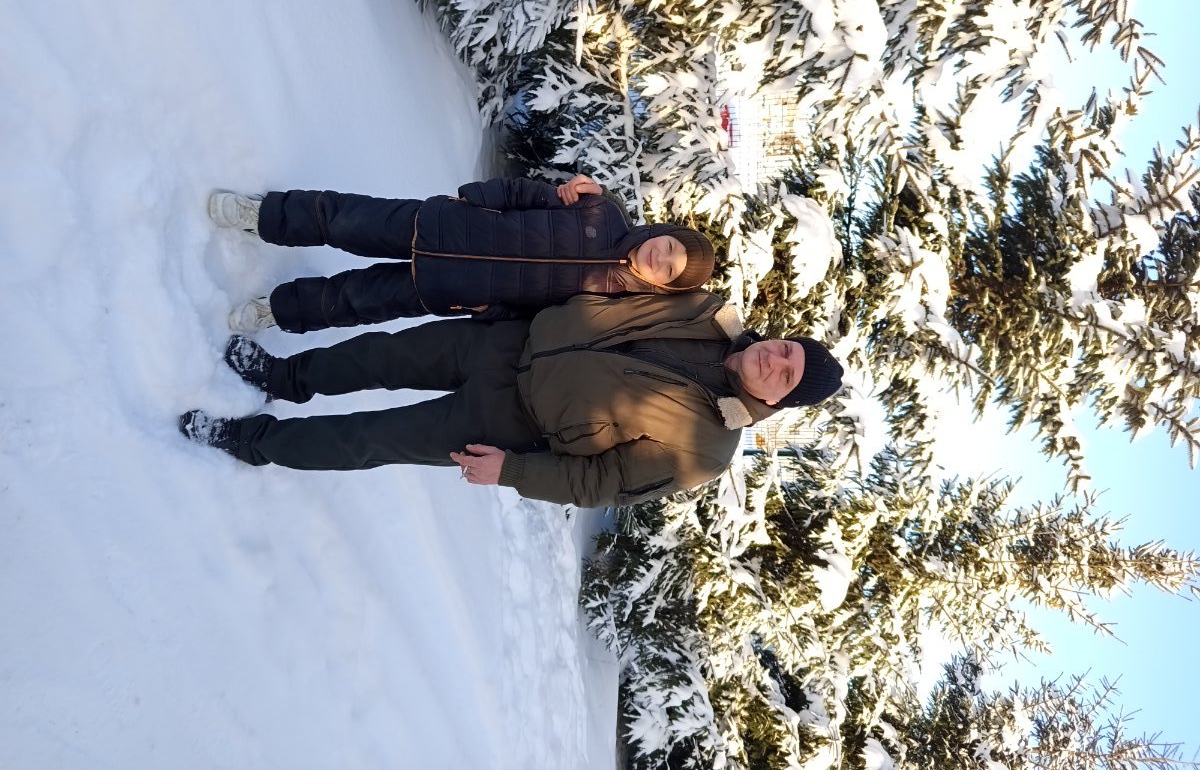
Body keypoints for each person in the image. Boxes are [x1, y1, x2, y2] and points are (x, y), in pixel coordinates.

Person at [179, 292, 845, 506]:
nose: (775, 360)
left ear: (779, 401)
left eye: (786, 375)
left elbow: (602, 483)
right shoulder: (705, 310)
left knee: (369, 438)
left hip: (506, 423)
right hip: (505, 343)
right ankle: (282, 377)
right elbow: (619, 272)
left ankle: (250, 441)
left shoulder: (710, 447)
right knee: (375, 355)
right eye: (787, 349)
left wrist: (514, 471)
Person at [209, 174, 716, 333]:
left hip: (449, 290)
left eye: (671, 269)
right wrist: (474, 198)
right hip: (443, 226)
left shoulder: (610, 303)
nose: (661, 257)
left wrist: (485, 310)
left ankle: (274, 312)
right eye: (670, 246)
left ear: (665, 285)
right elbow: (527, 194)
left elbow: (537, 318)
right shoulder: (601, 210)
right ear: (663, 232)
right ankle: (264, 215)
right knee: (343, 218)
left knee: (349, 302)